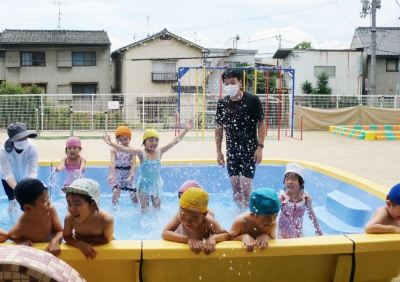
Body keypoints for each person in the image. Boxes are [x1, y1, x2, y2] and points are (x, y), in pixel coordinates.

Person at [102, 120, 193, 210]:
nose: (153, 142)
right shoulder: (141, 153)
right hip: (144, 184)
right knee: (144, 209)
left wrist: (185, 130)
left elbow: (174, 142)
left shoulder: (159, 152)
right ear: (144, 142)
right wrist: (111, 144)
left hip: (156, 183)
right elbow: (124, 149)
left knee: (157, 209)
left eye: (156, 140)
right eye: (150, 140)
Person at [215, 69, 266, 209]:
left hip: (249, 150)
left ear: (240, 82)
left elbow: (261, 123)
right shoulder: (222, 103)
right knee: (235, 188)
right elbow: (219, 128)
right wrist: (218, 151)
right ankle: (239, 215)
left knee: (246, 188)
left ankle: (247, 216)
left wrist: (260, 147)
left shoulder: (252, 100)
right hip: (231, 151)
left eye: (232, 82)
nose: (229, 85)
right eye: (226, 83)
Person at [162, 188, 229, 255]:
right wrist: (188, 239)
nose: (187, 222)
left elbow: (227, 235)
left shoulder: (208, 221)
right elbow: (165, 233)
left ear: (204, 215)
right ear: (179, 210)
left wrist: (213, 238)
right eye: (183, 215)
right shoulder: (179, 214)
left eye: (194, 217)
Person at [8, 178, 63, 256]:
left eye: (48, 197)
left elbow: (60, 231)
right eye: (44, 200)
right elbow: (11, 236)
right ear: (28, 208)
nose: (49, 203)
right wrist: (21, 240)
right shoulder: (21, 226)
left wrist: (55, 241)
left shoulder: (51, 210)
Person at [62, 178, 114, 260]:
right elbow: (66, 236)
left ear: (93, 205)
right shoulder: (69, 218)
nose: (72, 209)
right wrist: (80, 244)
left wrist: (83, 239)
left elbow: (106, 239)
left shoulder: (106, 220)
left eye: (77, 204)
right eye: (69, 204)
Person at [0, 122, 39, 213]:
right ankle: (11, 223)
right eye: (19, 139)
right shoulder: (3, 152)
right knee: (13, 202)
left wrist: (28, 187)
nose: (22, 140)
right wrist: (19, 189)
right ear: (12, 140)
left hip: (25, 178)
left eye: (24, 137)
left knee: (27, 203)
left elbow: (33, 171)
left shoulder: (32, 148)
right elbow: (8, 175)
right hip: (8, 180)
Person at [278, 162, 323, 238]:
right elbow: (272, 215)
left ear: (302, 182)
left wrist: (317, 229)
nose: (289, 182)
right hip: (282, 233)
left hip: (298, 233)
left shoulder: (306, 198)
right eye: (287, 179)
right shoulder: (282, 198)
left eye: (293, 179)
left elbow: (311, 215)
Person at [229, 188, 279, 252]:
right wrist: (243, 237)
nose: (271, 221)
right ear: (253, 215)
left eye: (275, 216)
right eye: (267, 217)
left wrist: (266, 236)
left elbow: (273, 240)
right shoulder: (241, 221)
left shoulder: (273, 223)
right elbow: (228, 238)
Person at [108, 126, 138, 208]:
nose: (123, 141)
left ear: (129, 139)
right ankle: (113, 208)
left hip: (128, 173)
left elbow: (133, 164)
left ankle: (138, 208)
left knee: (134, 196)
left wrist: (131, 175)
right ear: (116, 140)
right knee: (116, 194)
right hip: (118, 174)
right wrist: (111, 175)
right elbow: (112, 163)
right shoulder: (114, 150)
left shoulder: (132, 150)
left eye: (125, 139)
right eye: (120, 139)